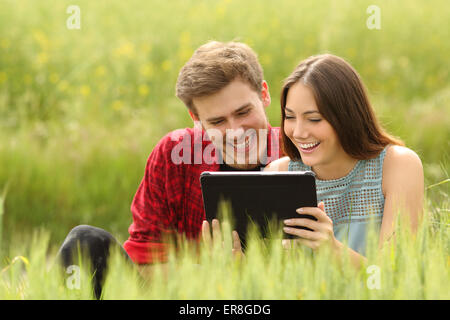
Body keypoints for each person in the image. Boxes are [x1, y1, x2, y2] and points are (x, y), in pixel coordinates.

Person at [57, 41, 283, 298]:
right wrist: (209, 274)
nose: (235, 132)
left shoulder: (303, 153)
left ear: (264, 94)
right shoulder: (173, 155)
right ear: (195, 119)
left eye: (243, 112)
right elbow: (144, 261)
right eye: (217, 121)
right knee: (83, 242)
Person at [264, 54, 424, 268]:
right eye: (290, 117)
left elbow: (397, 276)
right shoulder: (277, 175)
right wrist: (237, 259)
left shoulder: (398, 167)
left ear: (347, 117)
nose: (299, 132)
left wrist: (331, 249)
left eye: (314, 119)